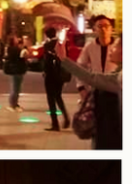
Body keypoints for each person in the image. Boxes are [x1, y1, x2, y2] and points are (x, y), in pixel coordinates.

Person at [75, 16, 122, 150]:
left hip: (115, 90)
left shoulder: (118, 46)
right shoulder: (90, 46)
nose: (103, 29)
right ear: (94, 29)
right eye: (99, 26)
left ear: (111, 28)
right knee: (96, 123)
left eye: (106, 26)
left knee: (114, 124)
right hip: (96, 91)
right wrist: (81, 88)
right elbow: (80, 66)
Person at [41, 27, 71, 132]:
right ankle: (66, 117)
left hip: (50, 75)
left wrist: (44, 71)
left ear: (47, 35)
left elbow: (46, 62)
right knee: (58, 96)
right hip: (60, 74)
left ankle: (55, 123)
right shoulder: (62, 44)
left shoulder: (47, 45)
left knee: (51, 99)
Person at [3, 35, 29, 111]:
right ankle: (12, 105)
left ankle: (15, 104)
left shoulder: (14, 49)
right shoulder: (13, 49)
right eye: (15, 39)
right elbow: (22, 55)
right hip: (16, 70)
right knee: (15, 88)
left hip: (18, 70)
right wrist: (24, 47)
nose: (17, 39)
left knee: (17, 88)